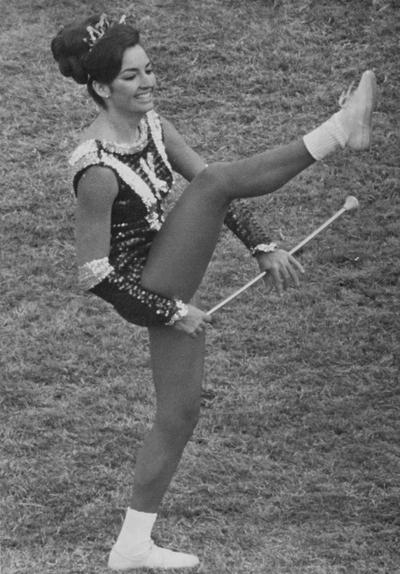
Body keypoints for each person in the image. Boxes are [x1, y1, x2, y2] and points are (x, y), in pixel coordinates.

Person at [51, 13, 376, 571]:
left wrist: (263, 246)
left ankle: (130, 547)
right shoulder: (96, 168)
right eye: (131, 77)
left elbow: (218, 188)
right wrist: (171, 310)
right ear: (102, 88)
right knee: (214, 181)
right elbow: (93, 273)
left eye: (148, 69)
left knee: (178, 415)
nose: (148, 82)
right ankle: (335, 133)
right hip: (151, 285)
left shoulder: (152, 125)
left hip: (168, 271)